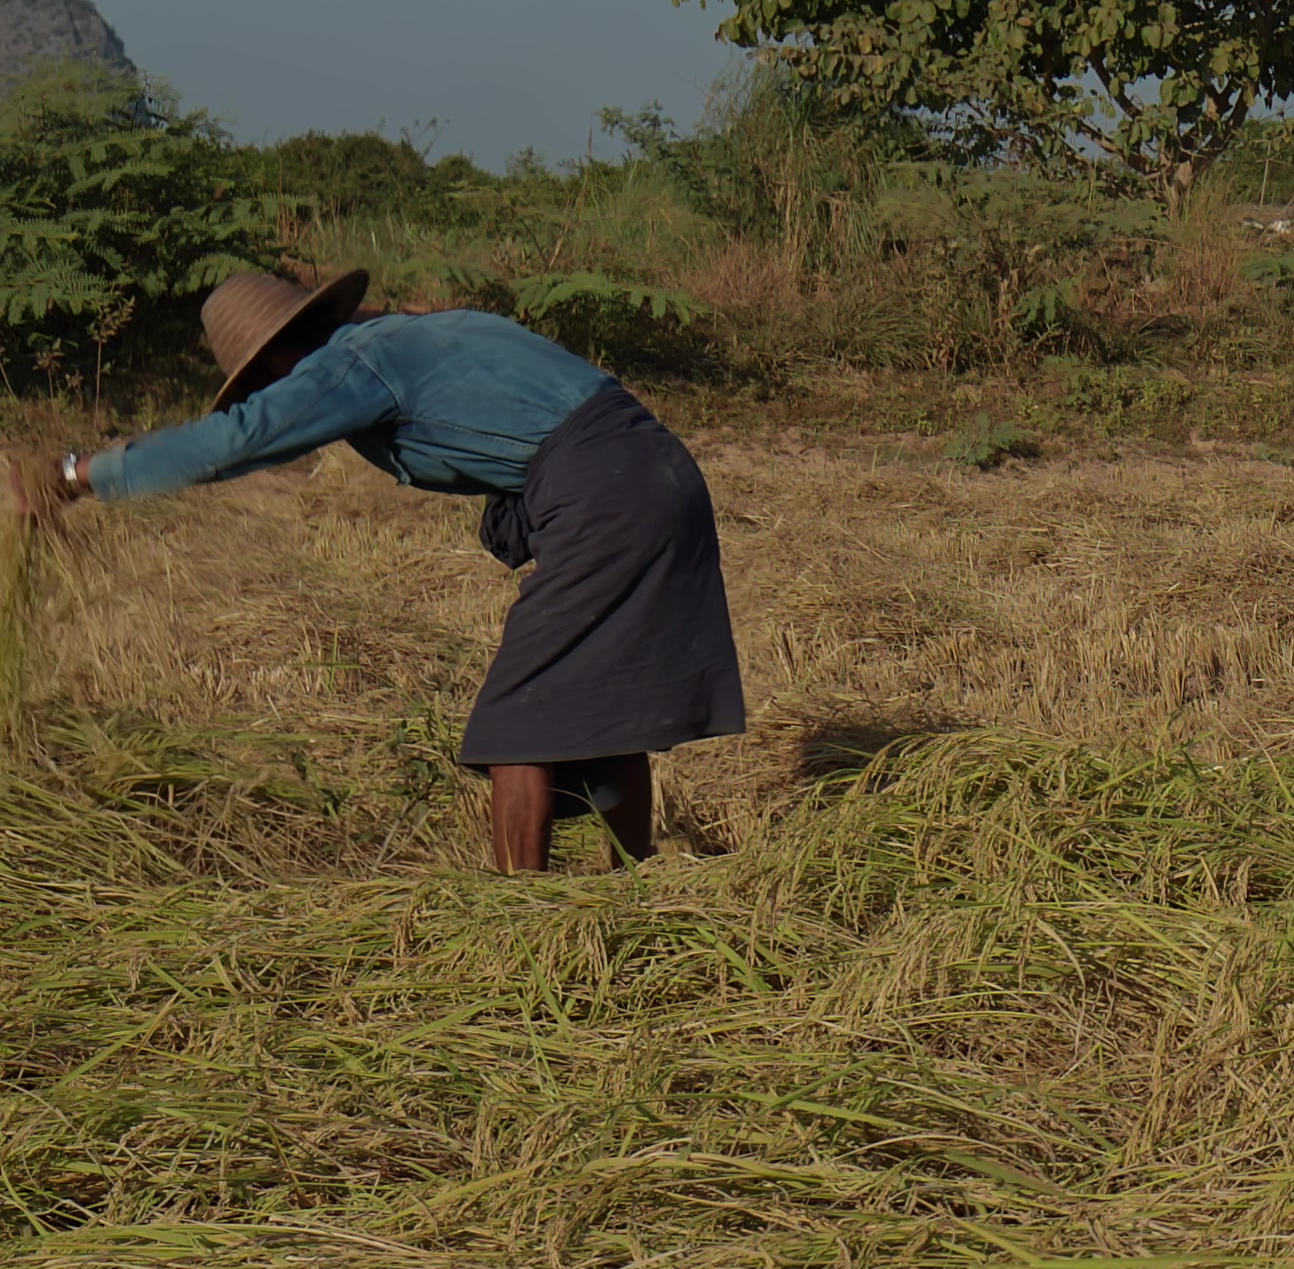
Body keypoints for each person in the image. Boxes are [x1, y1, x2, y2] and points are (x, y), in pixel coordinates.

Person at [11, 268, 746, 872]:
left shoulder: (349, 363)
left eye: (265, 380)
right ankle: (638, 886)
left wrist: (73, 474)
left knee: (519, 719)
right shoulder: (423, 332)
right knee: (605, 695)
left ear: (274, 358)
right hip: (660, 468)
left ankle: (526, 919)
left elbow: (235, 441)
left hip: (602, 489)